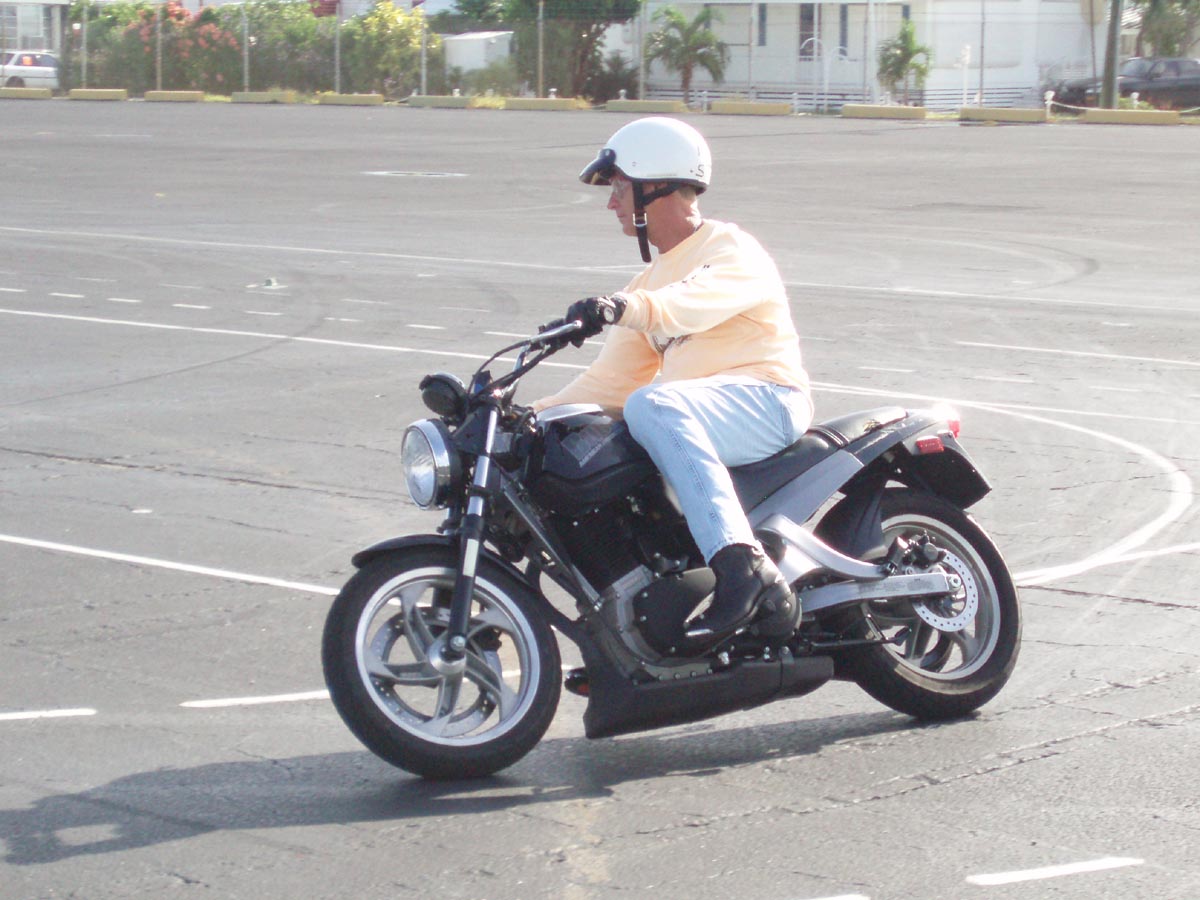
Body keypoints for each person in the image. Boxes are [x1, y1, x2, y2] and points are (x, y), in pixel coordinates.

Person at [533, 116, 813, 646]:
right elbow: (607, 386)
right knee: (623, 425)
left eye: (619, 188)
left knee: (652, 406)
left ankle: (745, 568)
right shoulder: (649, 281)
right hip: (700, 411)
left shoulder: (730, 248)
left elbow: (690, 303)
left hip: (768, 400)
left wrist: (622, 307)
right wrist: (529, 416)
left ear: (655, 184)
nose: (611, 203)